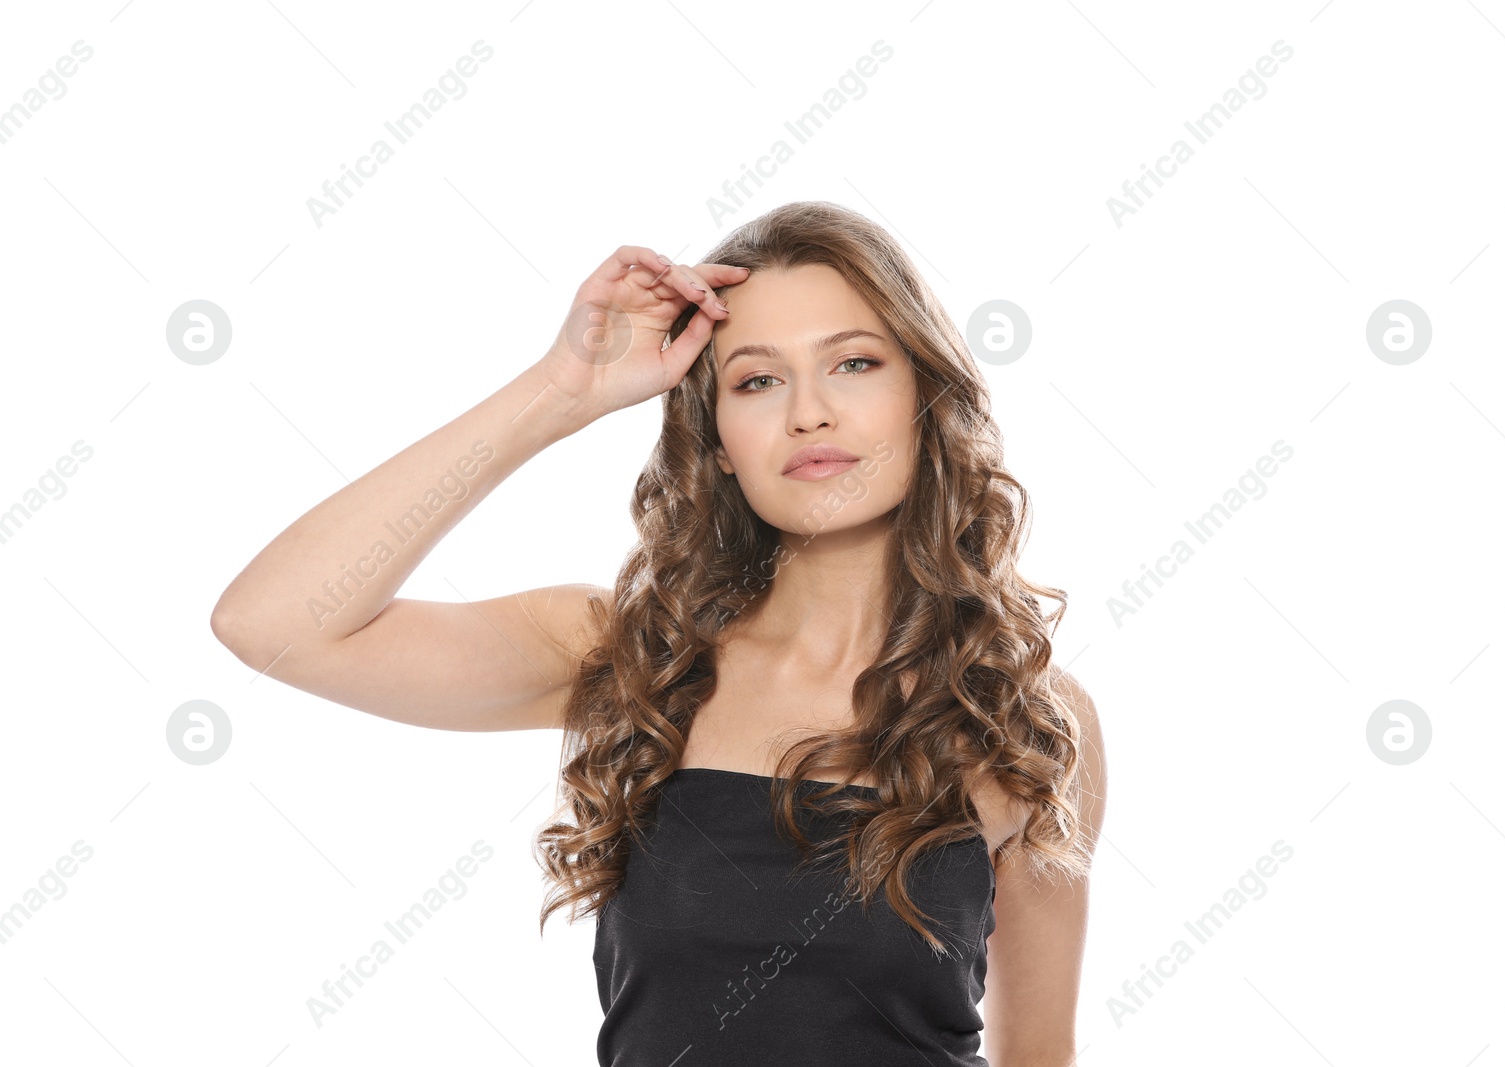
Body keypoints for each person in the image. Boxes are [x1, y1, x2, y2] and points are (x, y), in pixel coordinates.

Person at [211, 200, 1107, 1066]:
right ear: (716, 438)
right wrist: (559, 391)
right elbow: (274, 624)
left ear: (925, 393)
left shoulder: (1025, 715)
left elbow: (1039, 1056)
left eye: (855, 363)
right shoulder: (630, 655)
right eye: (757, 380)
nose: (808, 412)